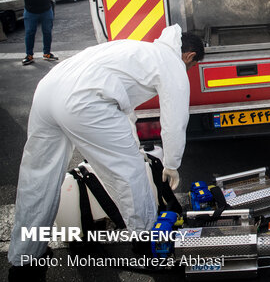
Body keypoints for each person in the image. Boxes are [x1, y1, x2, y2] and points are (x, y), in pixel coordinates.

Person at [8, 24, 204, 278]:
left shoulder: (137, 50)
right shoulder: (172, 64)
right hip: (84, 101)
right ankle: (146, 243)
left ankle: (25, 259)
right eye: (192, 66)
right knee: (129, 172)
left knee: (37, 177)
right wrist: (172, 163)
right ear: (189, 57)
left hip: (48, 89)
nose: (188, 70)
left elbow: (122, 110)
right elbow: (175, 119)